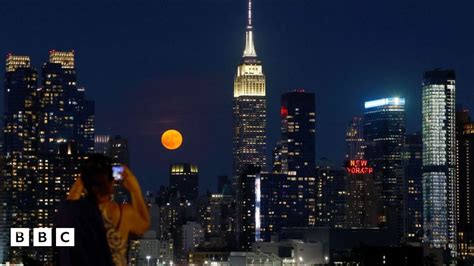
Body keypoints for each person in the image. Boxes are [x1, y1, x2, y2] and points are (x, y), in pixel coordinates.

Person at [55, 154, 150, 266]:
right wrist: (135, 190)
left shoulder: (71, 211)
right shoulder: (123, 213)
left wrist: (82, 180)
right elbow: (144, 225)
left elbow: (70, 203)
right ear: (111, 183)